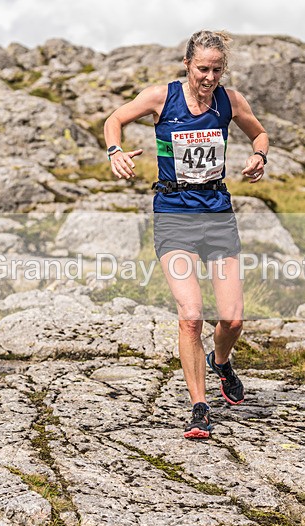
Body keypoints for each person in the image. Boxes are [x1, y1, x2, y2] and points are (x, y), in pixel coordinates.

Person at [104, 30, 269, 438]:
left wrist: (259, 155)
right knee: (191, 315)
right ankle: (200, 406)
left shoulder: (230, 101)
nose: (208, 77)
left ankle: (222, 362)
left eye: (216, 69)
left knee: (232, 319)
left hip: (217, 214)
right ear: (186, 63)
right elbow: (115, 120)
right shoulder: (162, 97)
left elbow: (259, 133)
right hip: (174, 215)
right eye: (202, 69)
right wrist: (115, 151)